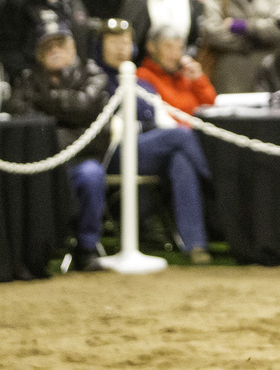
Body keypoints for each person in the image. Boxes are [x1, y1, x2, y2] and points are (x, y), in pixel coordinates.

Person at [95, 18, 213, 264]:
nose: (120, 48)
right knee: (180, 136)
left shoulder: (141, 83)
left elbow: (162, 120)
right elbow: (111, 130)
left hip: (145, 150)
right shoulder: (95, 77)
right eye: (113, 41)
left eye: (125, 42)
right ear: (100, 45)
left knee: (181, 158)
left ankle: (196, 245)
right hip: (110, 154)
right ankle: (215, 182)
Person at [5, 22, 110, 271]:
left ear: (73, 47)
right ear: (39, 54)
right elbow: (17, 111)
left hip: (81, 157)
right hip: (41, 164)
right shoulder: (28, 78)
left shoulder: (92, 73)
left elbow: (83, 107)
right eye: (48, 46)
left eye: (60, 44)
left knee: (92, 175)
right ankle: (34, 254)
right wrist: (63, 117)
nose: (55, 50)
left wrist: (45, 103)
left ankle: (86, 248)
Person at [136, 25, 217, 117]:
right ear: (151, 47)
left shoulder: (185, 76)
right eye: (168, 47)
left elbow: (210, 105)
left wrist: (198, 79)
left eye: (180, 48)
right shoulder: (143, 76)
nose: (175, 54)